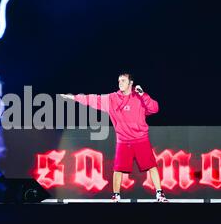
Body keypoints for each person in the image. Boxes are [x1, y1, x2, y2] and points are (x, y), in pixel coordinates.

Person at [61, 73, 168, 202]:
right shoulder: (112, 98)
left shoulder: (139, 96)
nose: (120, 83)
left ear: (131, 83)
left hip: (141, 139)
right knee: (118, 169)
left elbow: (155, 108)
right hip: (123, 141)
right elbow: (93, 99)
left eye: (123, 81)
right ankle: (116, 195)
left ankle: (159, 194)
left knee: (152, 166)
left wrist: (143, 94)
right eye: (119, 81)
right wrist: (74, 97)